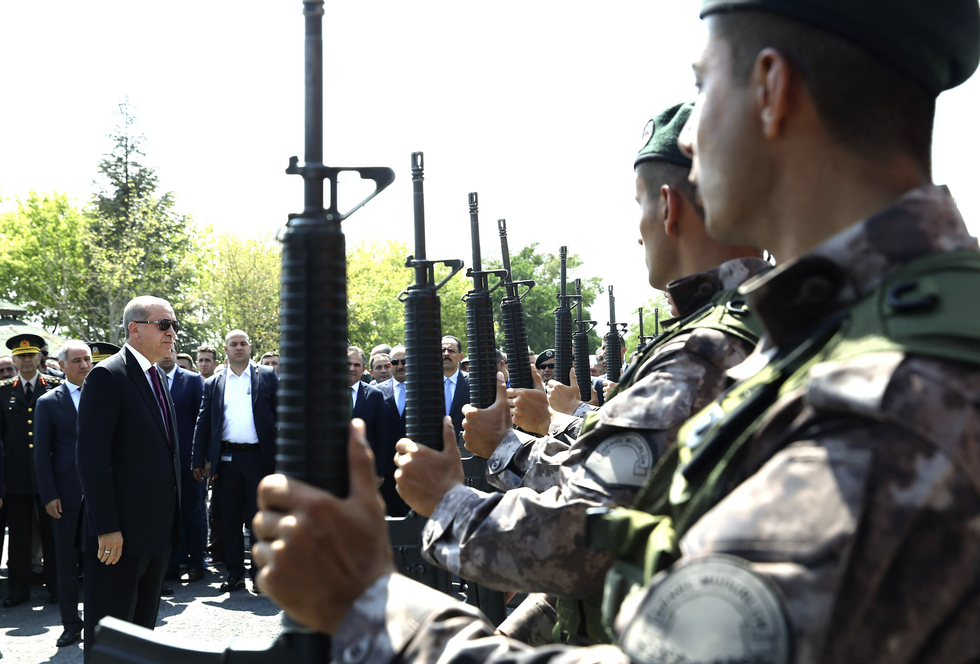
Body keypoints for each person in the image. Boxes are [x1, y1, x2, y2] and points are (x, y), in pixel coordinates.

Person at [253, 0, 980, 661]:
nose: (689, 135)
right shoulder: (852, 340)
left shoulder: (887, 391)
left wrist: (369, 604)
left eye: (702, 86)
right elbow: (662, 561)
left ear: (770, 89)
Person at [397, 102, 767, 645]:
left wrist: (446, 501)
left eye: (639, 205)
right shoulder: (756, 321)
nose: (637, 234)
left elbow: (584, 536)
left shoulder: (706, 348)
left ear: (668, 207)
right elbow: (621, 484)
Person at [76, 297, 180, 659]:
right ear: (134, 329)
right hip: (117, 538)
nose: (172, 332)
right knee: (110, 641)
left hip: (154, 532)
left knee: (140, 639)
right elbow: (92, 459)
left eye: (174, 325)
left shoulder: (157, 376)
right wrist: (106, 527)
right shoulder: (107, 375)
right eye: (163, 324)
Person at [192, 329, 278, 593]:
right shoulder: (214, 383)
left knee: (259, 519)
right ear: (226, 349)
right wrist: (198, 459)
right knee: (229, 518)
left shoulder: (267, 376)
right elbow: (203, 422)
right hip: (227, 461)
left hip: (260, 459)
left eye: (243, 343)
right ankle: (235, 574)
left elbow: (282, 415)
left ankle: (260, 574)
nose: (239, 347)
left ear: (249, 347)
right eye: (233, 344)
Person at [33, 340, 91, 646]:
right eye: (77, 361)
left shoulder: (104, 395)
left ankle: (100, 624)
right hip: (65, 497)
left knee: (100, 564)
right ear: (62, 366)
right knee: (67, 564)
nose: (84, 365)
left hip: (101, 494)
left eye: (87, 359)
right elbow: (41, 454)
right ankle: (71, 623)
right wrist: (49, 494)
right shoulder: (48, 402)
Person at [0, 333, 62, 607]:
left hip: (49, 474)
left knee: (52, 533)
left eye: (30, 355)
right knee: (19, 536)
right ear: (14, 361)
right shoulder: (3, 391)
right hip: (16, 476)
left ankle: (57, 587)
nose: (26, 360)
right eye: (21, 356)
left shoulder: (54, 387)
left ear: (39, 358)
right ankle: (18, 590)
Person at [158, 350, 207, 584]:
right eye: (163, 351)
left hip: (188, 462)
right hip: (160, 462)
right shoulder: (149, 379)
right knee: (166, 515)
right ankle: (171, 565)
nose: (167, 356)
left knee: (193, 512)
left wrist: (200, 459)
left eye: (171, 351)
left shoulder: (192, 380)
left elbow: (202, 421)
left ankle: (197, 562)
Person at [376, 345, 408, 516]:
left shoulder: (424, 390)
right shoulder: (376, 392)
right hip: (387, 469)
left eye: (404, 362)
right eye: (395, 362)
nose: (400, 366)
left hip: (415, 467)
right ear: (390, 365)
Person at [347, 345, 384, 454]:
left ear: (363, 370)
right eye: (348, 364)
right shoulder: (327, 392)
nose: (352, 368)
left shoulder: (375, 395)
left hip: (363, 458)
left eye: (356, 365)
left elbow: (380, 434)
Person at [442, 335, 470, 442]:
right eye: (442, 350)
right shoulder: (427, 384)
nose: (446, 354)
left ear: (460, 356)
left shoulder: (471, 383)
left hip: (464, 445)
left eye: (451, 351)